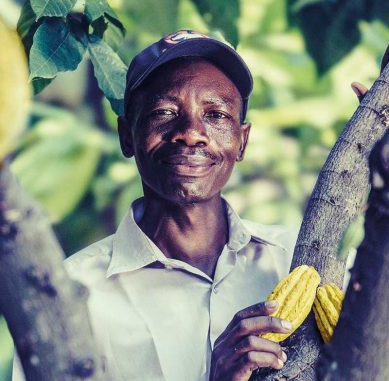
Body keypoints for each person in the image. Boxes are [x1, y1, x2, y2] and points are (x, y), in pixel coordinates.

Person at [12, 29, 367, 381]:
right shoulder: (71, 296)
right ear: (127, 135)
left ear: (242, 142)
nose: (191, 132)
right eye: (165, 112)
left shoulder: (307, 262)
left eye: (216, 116)